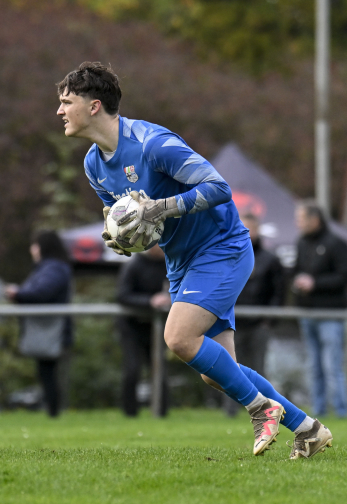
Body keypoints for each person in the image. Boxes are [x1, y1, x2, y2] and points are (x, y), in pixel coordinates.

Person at [58, 61, 332, 460]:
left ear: (94, 105)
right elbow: (132, 221)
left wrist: (161, 207)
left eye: (67, 102)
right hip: (180, 261)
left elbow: (219, 188)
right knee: (217, 372)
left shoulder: (153, 144)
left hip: (222, 248)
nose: (60, 111)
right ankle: (308, 429)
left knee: (178, 338)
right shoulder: (93, 165)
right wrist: (123, 239)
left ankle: (261, 409)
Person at [214, 212, 286, 417]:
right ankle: (230, 411)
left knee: (257, 368)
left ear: (257, 230)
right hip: (232, 323)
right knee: (229, 368)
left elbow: (279, 292)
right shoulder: (228, 256)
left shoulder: (270, 260)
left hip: (258, 324)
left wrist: (269, 320)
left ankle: (261, 411)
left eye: (250, 229)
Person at [293, 199, 347, 418]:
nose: (298, 223)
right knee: (313, 365)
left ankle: (341, 410)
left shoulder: (336, 244)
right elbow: (296, 270)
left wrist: (316, 283)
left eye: (301, 218)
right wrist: (298, 283)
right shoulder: (301, 243)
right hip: (307, 313)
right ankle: (318, 409)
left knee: (332, 365)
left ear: (315, 219)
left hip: (331, 315)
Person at [5, 230, 73, 418]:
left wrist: (18, 294)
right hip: (47, 329)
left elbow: (42, 292)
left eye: (35, 246)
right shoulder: (48, 268)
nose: (32, 250)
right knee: (47, 372)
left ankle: (53, 412)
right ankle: (52, 411)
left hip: (50, 329)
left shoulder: (53, 268)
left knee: (49, 373)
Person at [115, 244, 170, 417]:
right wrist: (149, 301)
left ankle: (161, 411)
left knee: (159, 370)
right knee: (132, 369)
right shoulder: (133, 265)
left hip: (157, 326)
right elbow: (122, 295)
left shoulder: (170, 264)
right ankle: (130, 412)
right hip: (132, 326)